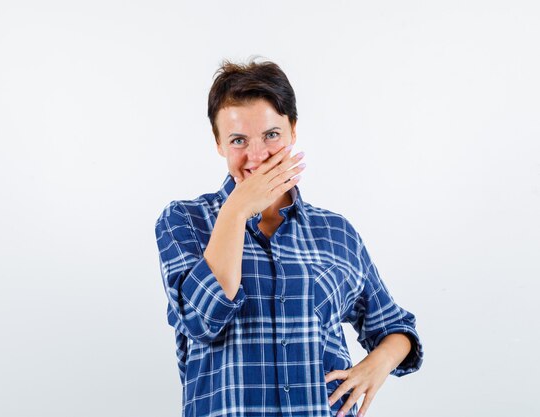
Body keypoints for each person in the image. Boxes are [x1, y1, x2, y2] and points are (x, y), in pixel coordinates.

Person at [154, 58, 424, 417]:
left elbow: (395, 326)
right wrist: (235, 212)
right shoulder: (185, 221)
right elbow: (204, 320)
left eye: (271, 135)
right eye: (238, 140)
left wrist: (375, 367)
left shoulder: (336, 233)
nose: (257, 155)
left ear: (293, 130)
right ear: (219, 143)